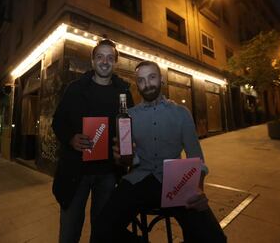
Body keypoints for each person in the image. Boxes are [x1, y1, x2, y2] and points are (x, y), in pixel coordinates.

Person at [96, 61, 227, 243]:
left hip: (177, 182)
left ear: (161, 79)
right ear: (137, 84)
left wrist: (198, 187)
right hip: (138, 180)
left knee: (214, 239)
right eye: (141, 80)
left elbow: (196, 158)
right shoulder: (129, 116)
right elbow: (128, 159)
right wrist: (122, 158)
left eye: (152, 77)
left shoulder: (182, 113)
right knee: (101, 231)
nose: (147, 84)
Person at [51, 39, 134, 243]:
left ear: (115, 62)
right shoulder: (75, 89)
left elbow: (131, 128)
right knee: (69, 234)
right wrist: (71, 138)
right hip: (76, 173)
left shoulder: (124, 92)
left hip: (108, 174)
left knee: (102, 232)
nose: (105, 61)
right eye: (100, 57)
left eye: (110, 57)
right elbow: (58, 122)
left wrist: (126, 146)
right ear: (92, 60)